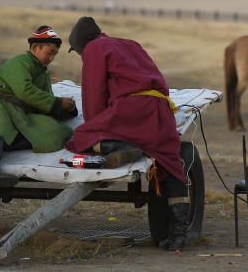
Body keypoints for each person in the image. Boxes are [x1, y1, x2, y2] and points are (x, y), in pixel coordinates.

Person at [63, 16, 189, 251]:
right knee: (172, 166)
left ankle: (121, 148)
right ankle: (178, 237)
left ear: (80, 44)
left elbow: (94, 93)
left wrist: (97, 125)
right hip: (161, 111)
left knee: (82, 135)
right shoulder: (131, 44)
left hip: (131, 111)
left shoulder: (94, 49)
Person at [0, 26, 78, 189]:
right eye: (49, 52)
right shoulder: (18, 63)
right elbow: (25, 91)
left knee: (58, 131)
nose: (52, 58)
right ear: (35, 48)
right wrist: (58, 102)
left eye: (55, 54)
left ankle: (0, 143)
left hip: (21, 114)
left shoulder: (43, 73)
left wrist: (67, 109)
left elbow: (44, 102)